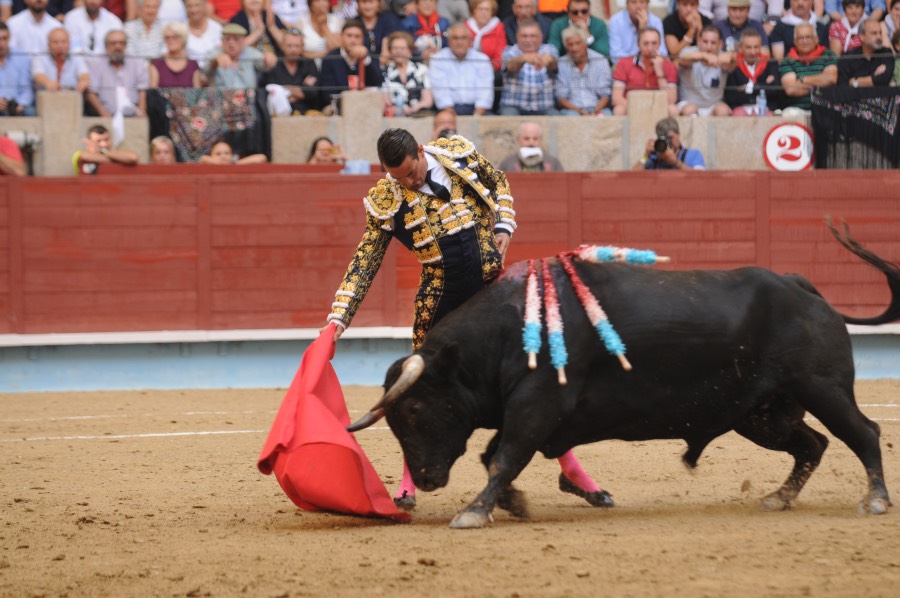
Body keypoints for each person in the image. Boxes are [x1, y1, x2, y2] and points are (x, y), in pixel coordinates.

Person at [325, 128, 610, 510]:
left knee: (532, 380)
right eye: (399, 178)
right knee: (417, 391)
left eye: (411, 172)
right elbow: (365, 262)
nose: (409, 183)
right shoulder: (387, 198)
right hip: (440, 301)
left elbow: (498, 181)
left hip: (492, 294)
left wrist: (504, 225)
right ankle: (408, 480)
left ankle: (571, 469)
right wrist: (337, 320)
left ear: (420, 151)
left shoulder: (456, 155)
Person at [611, 27, 678, 116]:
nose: (650, 48)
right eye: (646, 43)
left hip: (658, 106)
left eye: (654, 43)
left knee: (673, 110)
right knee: (619, 109)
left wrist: (659, 72)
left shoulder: (669, 65)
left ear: (660, 44)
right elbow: (616, 98)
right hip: (632, 106)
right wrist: (640, 109)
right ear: (638, 45)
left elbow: (671, 100)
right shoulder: (623, 63)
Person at [430, 22, 494, 114]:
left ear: (470, 41)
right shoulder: (438, 59)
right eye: (455, 38)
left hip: (478, 110)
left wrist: (476, 117)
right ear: (448, 41)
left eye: (463, 38)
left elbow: (485, 94)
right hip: (448, 110)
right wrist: (453, 118)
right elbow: (441, 94)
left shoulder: (482, 59)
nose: (459, 42)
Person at [319, 20, 384, 110]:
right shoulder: (330, 58)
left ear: (362, 39)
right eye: (349, 36)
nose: (353, 40)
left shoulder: (370, 56)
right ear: (341, 37)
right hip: (339, 108)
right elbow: (327, 93)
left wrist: (365, 59)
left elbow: (377, 82)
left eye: (357, 36)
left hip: (366, 107)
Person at [499, 18, 559, 115]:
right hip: (513, 106)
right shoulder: (509, 51)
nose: (528, 40)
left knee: (556, 117)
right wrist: (524, 58)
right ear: (517, 37)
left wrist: (549, 60)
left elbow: (555, 64)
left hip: (544, 106)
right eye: (524, 36)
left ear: (541, 37)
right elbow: (511, 66)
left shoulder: (549, 49)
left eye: (533, 36)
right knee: (508, 116)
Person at [85, 29, 149, 117]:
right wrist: (104, 114)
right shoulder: (96, 64)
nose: (118, 47)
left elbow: (142, 91)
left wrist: (140, 114)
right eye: (113, 43)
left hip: (133, 116)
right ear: (106, 46)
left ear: (126, 45)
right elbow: (91, 93)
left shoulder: (137, 62)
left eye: (121, 43)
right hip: (106, 116)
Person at [779, 22, 837, 111]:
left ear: (816, 39)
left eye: (808, 37)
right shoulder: (787, 61)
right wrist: (820, 84)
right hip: (798, 111)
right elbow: (791, 89)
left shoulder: (828, 55)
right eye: (800, 38)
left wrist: (803, 79)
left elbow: (830, 79)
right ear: (795, 42)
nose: (804, 41)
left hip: (825, 109)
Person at [676, 24, 732, 116]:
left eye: (713, 43)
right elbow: (682, 60)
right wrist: (704, 56)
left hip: (714, 106)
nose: (709, 47)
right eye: (705, 42)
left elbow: (733, 60)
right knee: (689, 110)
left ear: (720, 44)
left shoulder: (723, 57)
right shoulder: (688, 52)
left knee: (723, 111)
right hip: (688, 104)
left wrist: (729, 56)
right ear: (698, 41)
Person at [261, 27, 321, 114]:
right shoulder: (274, 63)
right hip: (280, 115)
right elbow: (271, 91)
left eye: (297, 46)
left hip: (307, 112)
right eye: (289, 46)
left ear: (302, 47)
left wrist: (283, 91)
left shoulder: (309, 63)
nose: (293, 50)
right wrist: (303, 87)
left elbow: (313, 93)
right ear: (282, 46)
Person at [554, 25, 611, 115]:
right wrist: (579, 111)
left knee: (606, 117)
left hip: (597, 107)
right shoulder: (561, 63)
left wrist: (594, 111)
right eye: (570, 44)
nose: (574, 48)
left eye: (578, 43)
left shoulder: (600, 60)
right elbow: (561, 98)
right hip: (572, 109)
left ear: (585, 44)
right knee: (570, 118)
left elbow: (605, 95)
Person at [723, 27, 778, 115]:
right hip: (740, 109)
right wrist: (762, 86)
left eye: (756, 47)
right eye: (748, 47)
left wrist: (748, 88)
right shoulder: (734, 65)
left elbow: (775, 91)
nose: (753, 52)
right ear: (740, 47)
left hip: (766, 108)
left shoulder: (770, 63)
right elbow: (731, 97)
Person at [205, 22, 277, 87]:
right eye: (227, 39)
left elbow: (264, 63)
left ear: (243, 41)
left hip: (248, 95)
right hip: (222, 96)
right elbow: (205, 71)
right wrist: (215, 62)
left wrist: (268, 59)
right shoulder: (215, 53)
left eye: (236, 39)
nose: (231, 43)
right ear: (222, 40)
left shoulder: (249, 52)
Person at [382, 30, 434, 115]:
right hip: (393, 117)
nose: (398, 51)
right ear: (390, 51)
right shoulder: (384, 72)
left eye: (402, 48)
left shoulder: (421, 69)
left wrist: (415, 108)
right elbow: (385, 101)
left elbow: (427, 101)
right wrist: (398, 110)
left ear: (410, 51)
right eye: (395, 48)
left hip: (418, 115)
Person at [837, 17, 894, 87]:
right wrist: (874, 76)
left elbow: (884, 80)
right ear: (862, 36)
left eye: (880, 33)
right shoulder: (848, 57)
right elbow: (843, 85)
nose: (879, 37)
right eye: (874, 33)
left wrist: (855, 82)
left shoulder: (886, 53)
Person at [32, 27, 91, 95]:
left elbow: (84, 75)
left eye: (64, 42)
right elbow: (38, 75)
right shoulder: (40, 58)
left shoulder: (77, 58)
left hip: (70, 98)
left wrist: (83, 82)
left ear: (69, 44)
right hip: (46, 97)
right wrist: (47, 83)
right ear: (48, 45)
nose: (60, 46)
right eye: (55, 42)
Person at [633, 116, 705, 170]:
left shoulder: (693, 155)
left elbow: (701, 178)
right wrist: (645, 155)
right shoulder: (654, 158)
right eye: (664, 139)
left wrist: (676, 163)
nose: (668, 142)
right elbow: (632, 177)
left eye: (670, 138)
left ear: (678, 134)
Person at [149, 22, 203, 88]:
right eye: (167, 37)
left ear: (183, 39)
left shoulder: (193, 65)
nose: (171, 40)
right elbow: (153, 92)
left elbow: (197, 92)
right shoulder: (156, 64)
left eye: (175, 37)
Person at [73, 124, 139, 175]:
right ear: (88, 142)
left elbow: (133, 157)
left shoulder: (112, 153)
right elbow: (84, 157)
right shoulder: (79, 154)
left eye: (106, 140)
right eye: (98, 141)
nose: (104, 144)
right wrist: (120, 159)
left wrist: (103, 151)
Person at [0, 23, 35, 117]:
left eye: (4, 38)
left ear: (9, 38)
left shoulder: (21, 57)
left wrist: (20, 104)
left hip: (16, 105)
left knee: (30, 112)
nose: (1, 43)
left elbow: (27, 90)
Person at [499, 121, 564, 171]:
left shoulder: (553, 163)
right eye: (526, 138)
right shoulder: (508, 163)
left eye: (535, 139)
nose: (531, 142)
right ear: (519, 140)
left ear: (541, 140)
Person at [298, 0, 343, 67]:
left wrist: (324, 26)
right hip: (309, 67)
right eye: (317, 0)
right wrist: (323, 53)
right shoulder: (301, 23)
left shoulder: (337, 21)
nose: (321, 3)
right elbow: (298, 52)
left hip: (332, 68)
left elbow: (338, 49)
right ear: (310, 4)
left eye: (325, 0)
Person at [356, 0, 403, 64]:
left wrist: (386, 47)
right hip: (361, 64)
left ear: (379, 3)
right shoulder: (354, 23)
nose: (367, 6)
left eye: (371, 2)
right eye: (364, 2)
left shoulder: (389, 19)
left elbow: (400, 38)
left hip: (389, 64)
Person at [466, 0, 506, 70]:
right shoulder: (465, 27)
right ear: (473, 11)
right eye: (480, 9)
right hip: (466, 68)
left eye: (487, 9)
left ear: (492, 12)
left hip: (491, 69)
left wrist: (487, 70)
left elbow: (500, 56)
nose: (483, 12)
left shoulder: (499, 28)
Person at [185, 0, 223, 68]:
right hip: (189, 71)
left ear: (205, 6)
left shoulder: (217, 28)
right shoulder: (181, 29)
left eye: (197, 5)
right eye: (189, 6)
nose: (193, 10)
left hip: (214, 70)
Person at [199, 139, 268, 163]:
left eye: (227, 153)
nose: (223, 156)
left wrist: (234, 164)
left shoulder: (234, 163)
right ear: (211, 155)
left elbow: (261, 158)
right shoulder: (206, 164)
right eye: (218, 154)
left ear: (232, 155)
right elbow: (203, 159)